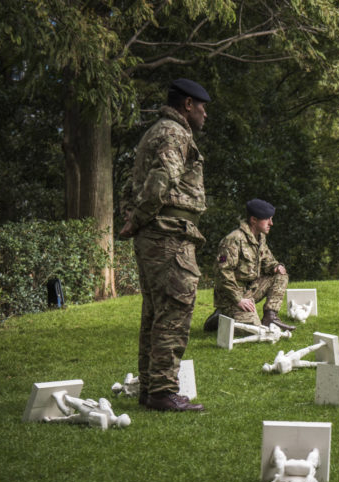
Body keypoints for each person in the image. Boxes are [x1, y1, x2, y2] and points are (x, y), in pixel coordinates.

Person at [119, 78, 210, 412]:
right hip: (168, 233)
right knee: (174, 310)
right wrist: (138, 217)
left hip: (157, 233)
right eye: (202, 107)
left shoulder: (157, 132)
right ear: (187, 105)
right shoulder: (174, 133)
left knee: (156, 313)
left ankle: (150, 388)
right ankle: (163, 390)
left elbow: (132, 184)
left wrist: (134, 216)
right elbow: (164, 178)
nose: (204, 114)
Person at [205, 199, 294, 333]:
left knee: (280, 275)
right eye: (267, 219)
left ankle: (270, 317)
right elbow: (223, 272)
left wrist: (276, 266)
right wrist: (238, 299)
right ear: (253, 220)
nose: (271, 223)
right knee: (255, 330)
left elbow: (268, 260)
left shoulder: (260, 237)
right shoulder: (233, 240)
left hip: (250, 289)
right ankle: (221, 316)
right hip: (231, 296)